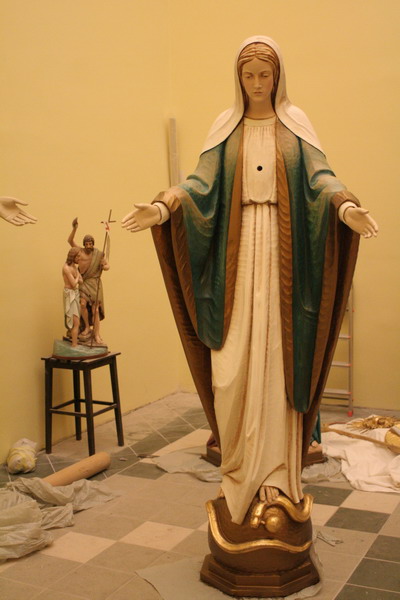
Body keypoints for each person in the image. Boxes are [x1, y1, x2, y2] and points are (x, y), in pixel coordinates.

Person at [122, 36, 378, 525]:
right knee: (233, 359)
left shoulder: (295, 126)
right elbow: (199, 183)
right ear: (238, 79)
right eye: (249, 75)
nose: (257, 83)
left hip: (284, 259)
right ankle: (239, 467)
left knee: (279, 357)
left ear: (277, 76)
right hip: (237, 259)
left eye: (265, 74)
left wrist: (345, 207)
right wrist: (163, 205)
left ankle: (278, 473)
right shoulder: (228, 128)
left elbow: (320, 179)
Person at [68, 218, 109, 344]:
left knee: (95, 310)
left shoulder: (98, 254)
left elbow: (107, 265)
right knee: (82, 304)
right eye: (86, 244)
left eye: (90, 244)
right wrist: (74, 228)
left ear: (93, 244)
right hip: (83, 282)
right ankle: (86, 327)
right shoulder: (79, 252)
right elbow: (70, 241)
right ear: (84, 244)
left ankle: (96, 334)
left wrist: (104, 266)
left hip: (95, 283)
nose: (88, 246)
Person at [62, 247, 82, 347]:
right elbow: (74, 284)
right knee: (75, 322)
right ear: (73, 256)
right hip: (70, 295)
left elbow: (81, 281)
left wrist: (77, 277)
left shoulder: (74, 267)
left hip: (75, 294)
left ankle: (75, 344)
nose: (79, 258)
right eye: (77, 256)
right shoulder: (66, 268)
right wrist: (77, 276)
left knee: (77, 321)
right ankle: (74, 345)